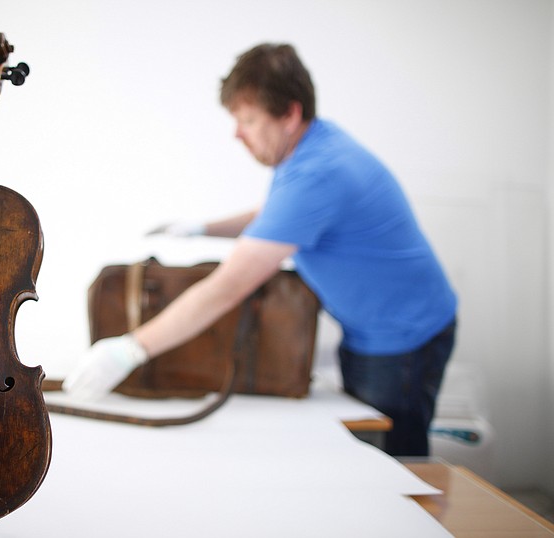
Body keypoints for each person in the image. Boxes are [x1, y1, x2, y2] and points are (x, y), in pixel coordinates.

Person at [63, 43, 457, 457]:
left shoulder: (319, 172)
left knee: (393, 463)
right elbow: (276, 215)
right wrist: (203, 229)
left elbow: (227, 287)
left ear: (289, 114)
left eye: (248, 119)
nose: (237, 133)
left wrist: (132, 348)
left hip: (404, 337)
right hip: (371, 327)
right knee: (365, 450)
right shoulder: (314, 148)